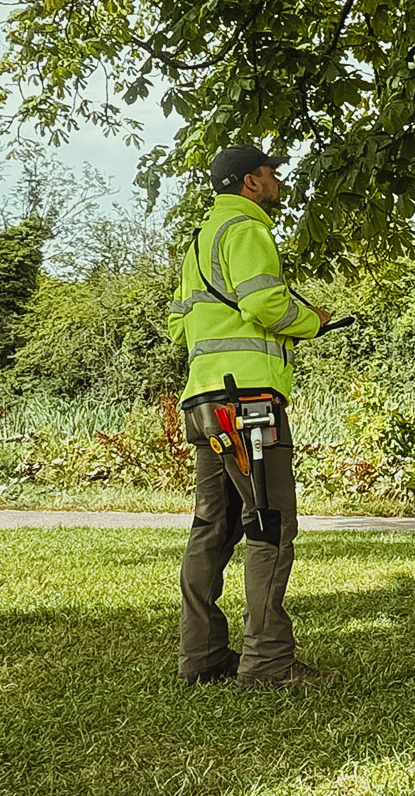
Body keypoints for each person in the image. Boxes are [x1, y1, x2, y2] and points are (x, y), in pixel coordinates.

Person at [167, 144, 331, 690]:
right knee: (269, 523)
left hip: (207, 403)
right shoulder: (247, 230)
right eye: (270, 171)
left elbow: (177, 326)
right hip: (249, 405)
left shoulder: (199, 242)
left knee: (211, 527)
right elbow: (265, 306)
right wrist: (312, 319)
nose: (276, 178)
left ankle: (203, 656)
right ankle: (267, 664)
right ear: (249, 183)